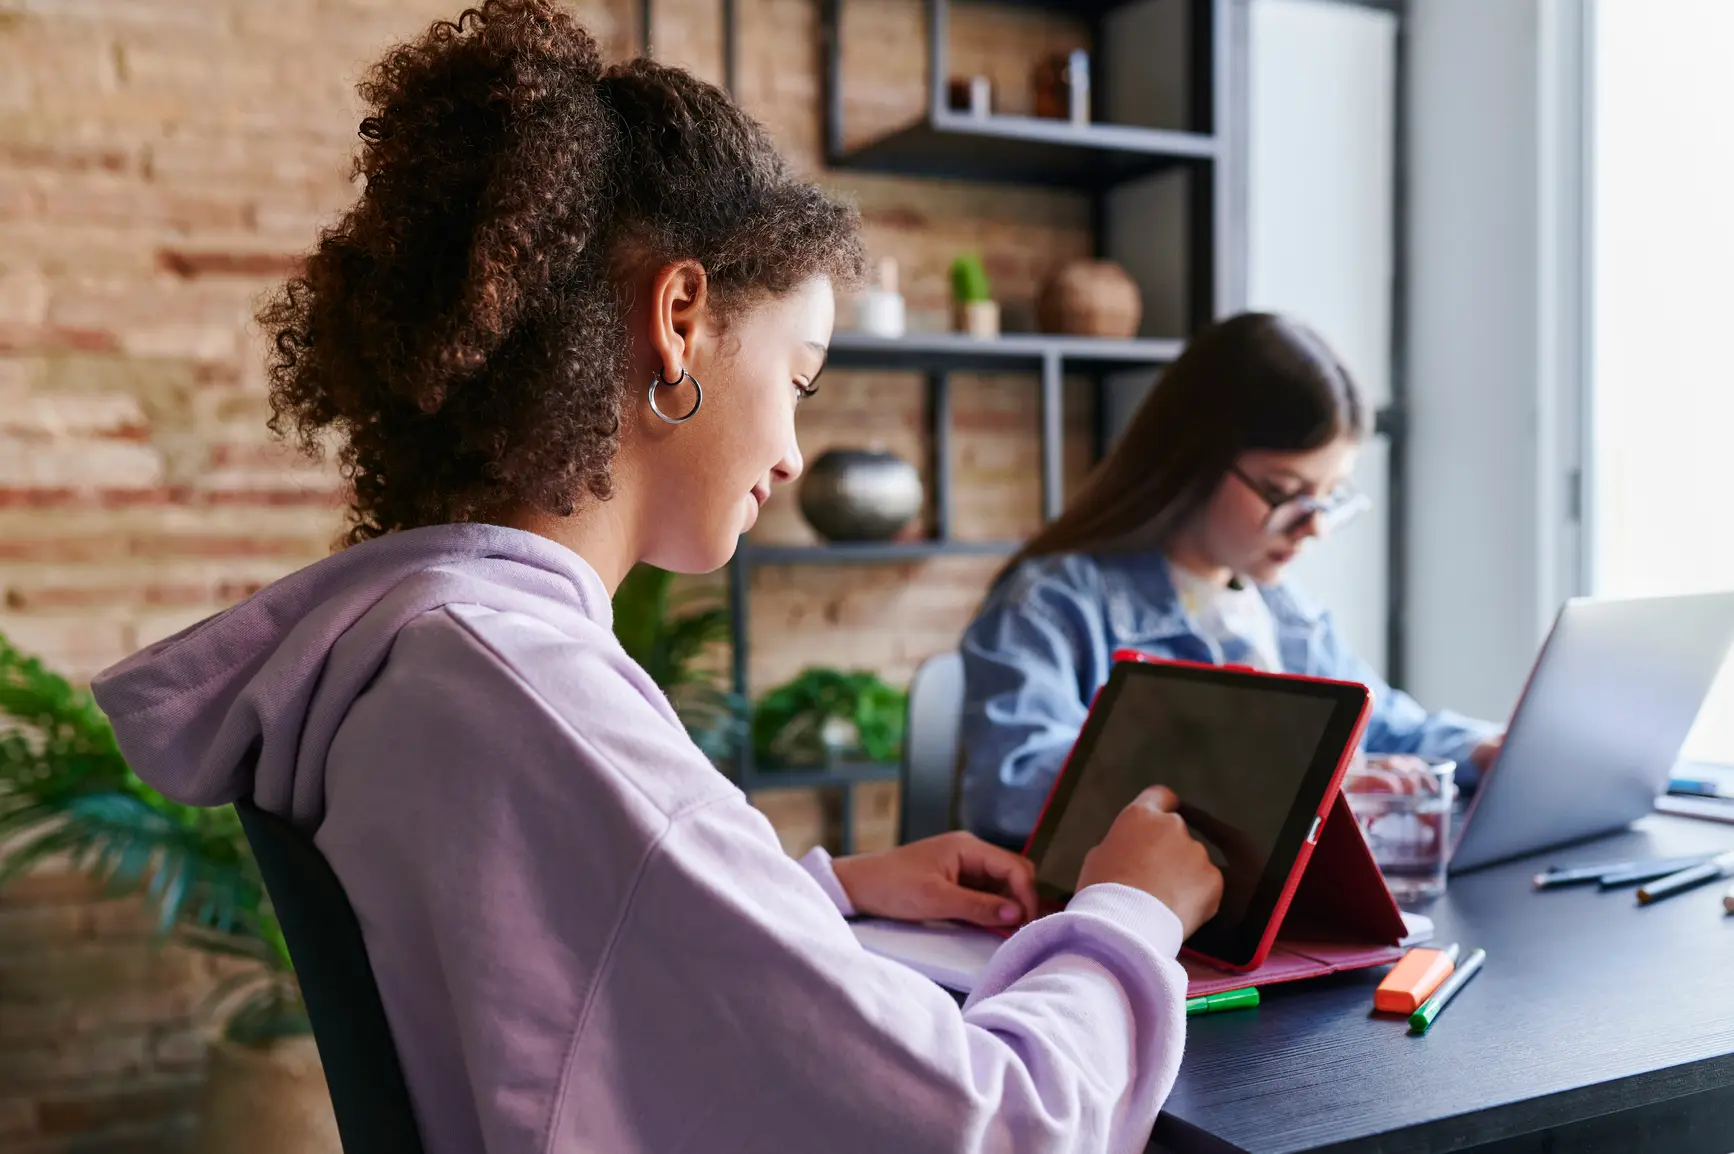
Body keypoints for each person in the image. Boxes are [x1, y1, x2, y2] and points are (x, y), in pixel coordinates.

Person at [87, 4, 1223, 1152]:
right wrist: (1131, 911)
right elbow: (1000, 1120)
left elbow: (550, 959)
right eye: (802, 376)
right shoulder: (529, 694)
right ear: (679, 320)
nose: (791, 450)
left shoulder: (418, 653)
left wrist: (821, 891)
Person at [958, 312, 1504, 850]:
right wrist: (1260, 776)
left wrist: (1484, 749)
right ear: (1192, 457)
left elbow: (1384, 727)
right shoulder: (1052, 605)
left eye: (1329, 497)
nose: (1313, 527)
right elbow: (1012, 787)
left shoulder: (1285, 613)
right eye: (1283, 491)